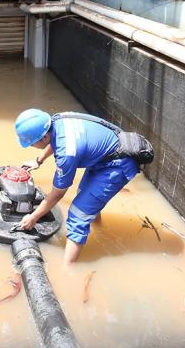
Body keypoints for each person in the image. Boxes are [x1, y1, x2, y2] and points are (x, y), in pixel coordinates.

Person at [15, 108, 140, 264]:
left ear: (42, 137)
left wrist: (33, 217)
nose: (31, 146)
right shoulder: (57, 121)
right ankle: (99, 228)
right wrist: (38, 160)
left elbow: (57, 194)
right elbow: (53, 140)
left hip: (118, 165)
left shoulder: (66, 154)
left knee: (78, 214)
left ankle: (69, 271)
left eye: (31, 143)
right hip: (107, 154)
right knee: (84, 195)